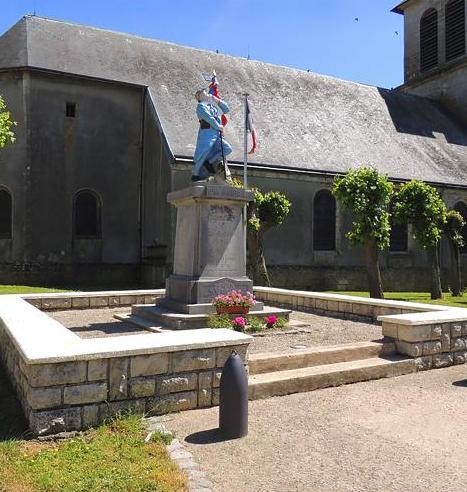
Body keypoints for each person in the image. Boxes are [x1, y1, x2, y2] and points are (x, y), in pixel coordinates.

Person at [192, 89, 232, 182]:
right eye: (205, 92)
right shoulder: (200, 106)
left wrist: (218, 101)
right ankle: (195, 174)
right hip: (207, 133)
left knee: (227, 149)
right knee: (203, 152)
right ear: (200, 96)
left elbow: (226, 109)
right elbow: (209, 118)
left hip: (217, 133)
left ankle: (208, 162)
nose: (207, 93)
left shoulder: (213, 105)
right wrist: (219, 126)